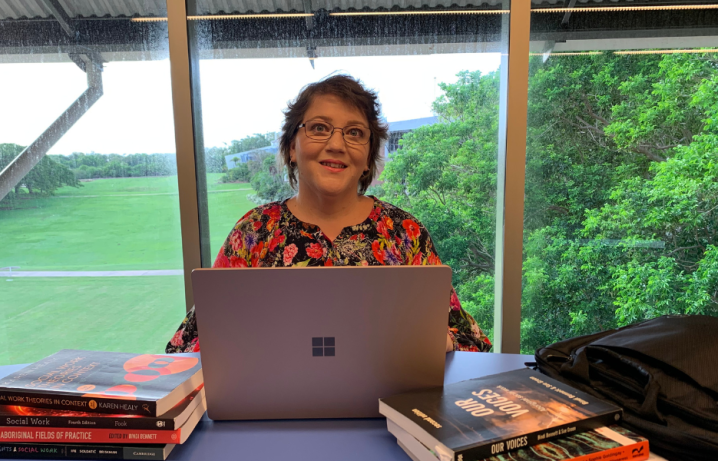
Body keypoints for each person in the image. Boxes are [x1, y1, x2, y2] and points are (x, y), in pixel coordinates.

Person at [166, 74, 492, 354]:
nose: (337, 144)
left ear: (368, 157)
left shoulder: (404, 232)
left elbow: (468, 340)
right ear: (292, 148)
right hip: (273, 417)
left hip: (389, 418)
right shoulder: (253, 231)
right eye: (320, 128)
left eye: (354, 132)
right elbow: (189, 344)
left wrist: (441, 341)